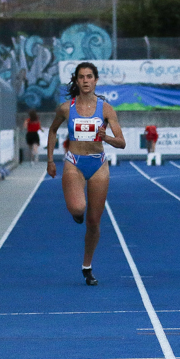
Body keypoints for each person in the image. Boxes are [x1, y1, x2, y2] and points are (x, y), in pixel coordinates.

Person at [46, 62, 125, 285]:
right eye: (81, 77)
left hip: (98, 164)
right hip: (74, 162)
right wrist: (50, 160)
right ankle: (77, 212)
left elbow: (121, 142)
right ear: (77, 81)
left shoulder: (106, 109)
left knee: (93, 222)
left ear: (96, 80)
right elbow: (52, 130)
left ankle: (87, 266)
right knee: (78, 208)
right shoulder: (66, 108)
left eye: (89, 76)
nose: (86, 80)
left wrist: (106, 137)